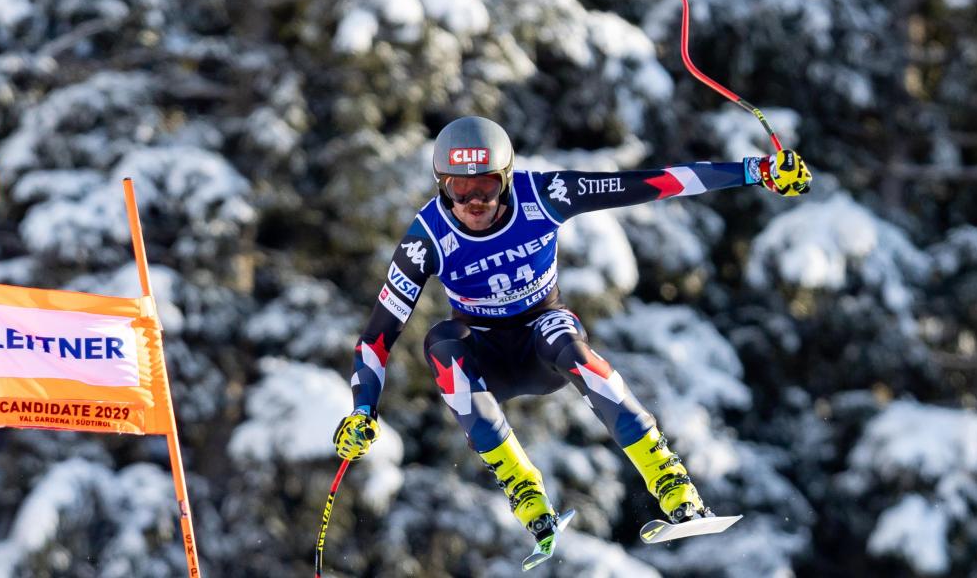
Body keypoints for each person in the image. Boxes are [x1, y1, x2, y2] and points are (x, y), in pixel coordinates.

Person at [332, 116, 811, 551]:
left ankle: (673, 486)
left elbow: (654, 182)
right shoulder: (426, 239)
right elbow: (377, 338)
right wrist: (362, 409)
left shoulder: (546, 195)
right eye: (460, 189)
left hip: (545, 338)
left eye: (486, 187)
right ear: (441, 185)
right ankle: (526, 495)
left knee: (565, 340)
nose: (474, 203)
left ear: (506, 179)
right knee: (440, 341)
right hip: (486, 356)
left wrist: (756, 171)